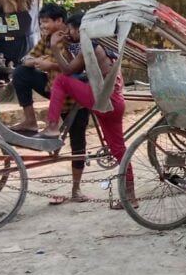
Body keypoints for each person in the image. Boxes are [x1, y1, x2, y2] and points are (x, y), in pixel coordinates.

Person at [38, 14, 134, 208]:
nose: (69, 33)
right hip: (114, 101)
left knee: (61, 81)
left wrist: (56, 47)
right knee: (118, 149)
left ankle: (52, 126)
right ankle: (130, 196)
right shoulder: (104, 46)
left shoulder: (88, 46)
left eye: (72, 30)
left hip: (102, 99)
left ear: (80, 30)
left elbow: (67, 71)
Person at [9, 3, 90, 200]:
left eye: (46, 22)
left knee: (78, 141)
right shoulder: (46, 38)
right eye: (42, 22)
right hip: (53, 90)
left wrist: (49, 63)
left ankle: (76, 188)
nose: (43, 26)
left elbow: (76, 68)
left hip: (75, 96)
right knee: (21, 73)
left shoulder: (73, 38)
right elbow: (27, 59)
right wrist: (39, 62)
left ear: (59, 21)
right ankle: (30, 120)